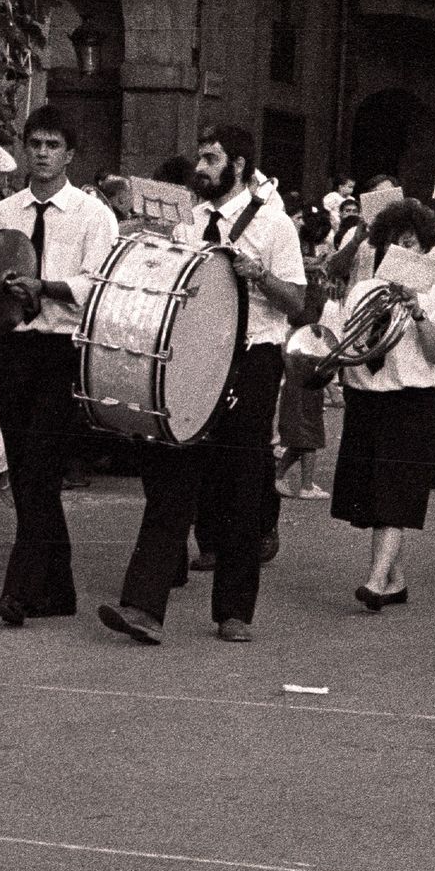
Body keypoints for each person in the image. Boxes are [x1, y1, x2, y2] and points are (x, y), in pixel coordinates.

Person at [103, 126, 312, 646]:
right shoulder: (190, 222)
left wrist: (259, 275)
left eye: (211, 158)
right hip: (195, 358)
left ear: (237, 165)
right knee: (173, 473)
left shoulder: (274, 223)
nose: (200, 167)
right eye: (200, 157)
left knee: (241, 484)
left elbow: (298, 303)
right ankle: (143, 606)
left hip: (254, 359)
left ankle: (235, 612)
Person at [0, 111, 117, 626]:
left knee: (40, 471)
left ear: (70, 155)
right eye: (35, 143)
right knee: (25, 474)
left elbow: (98, 285)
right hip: (14, 348)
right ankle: (59, 591)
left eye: (53, 145)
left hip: (62, 351)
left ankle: (19, 591)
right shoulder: (5, 211)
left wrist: (46, 287)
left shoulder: (92, 214)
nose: (41, 153)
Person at [325, 200, 435, 610]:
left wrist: (418, 314)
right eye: (396, 243)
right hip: (366, 399)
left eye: (412, 244)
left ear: (425, 247)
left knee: (394, 494)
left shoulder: (433, 296)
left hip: (410, 401)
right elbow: (342, 345)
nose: (404, 251)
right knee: (375, 495)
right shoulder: (363, 291)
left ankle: (375, 581)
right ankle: (395, 580)